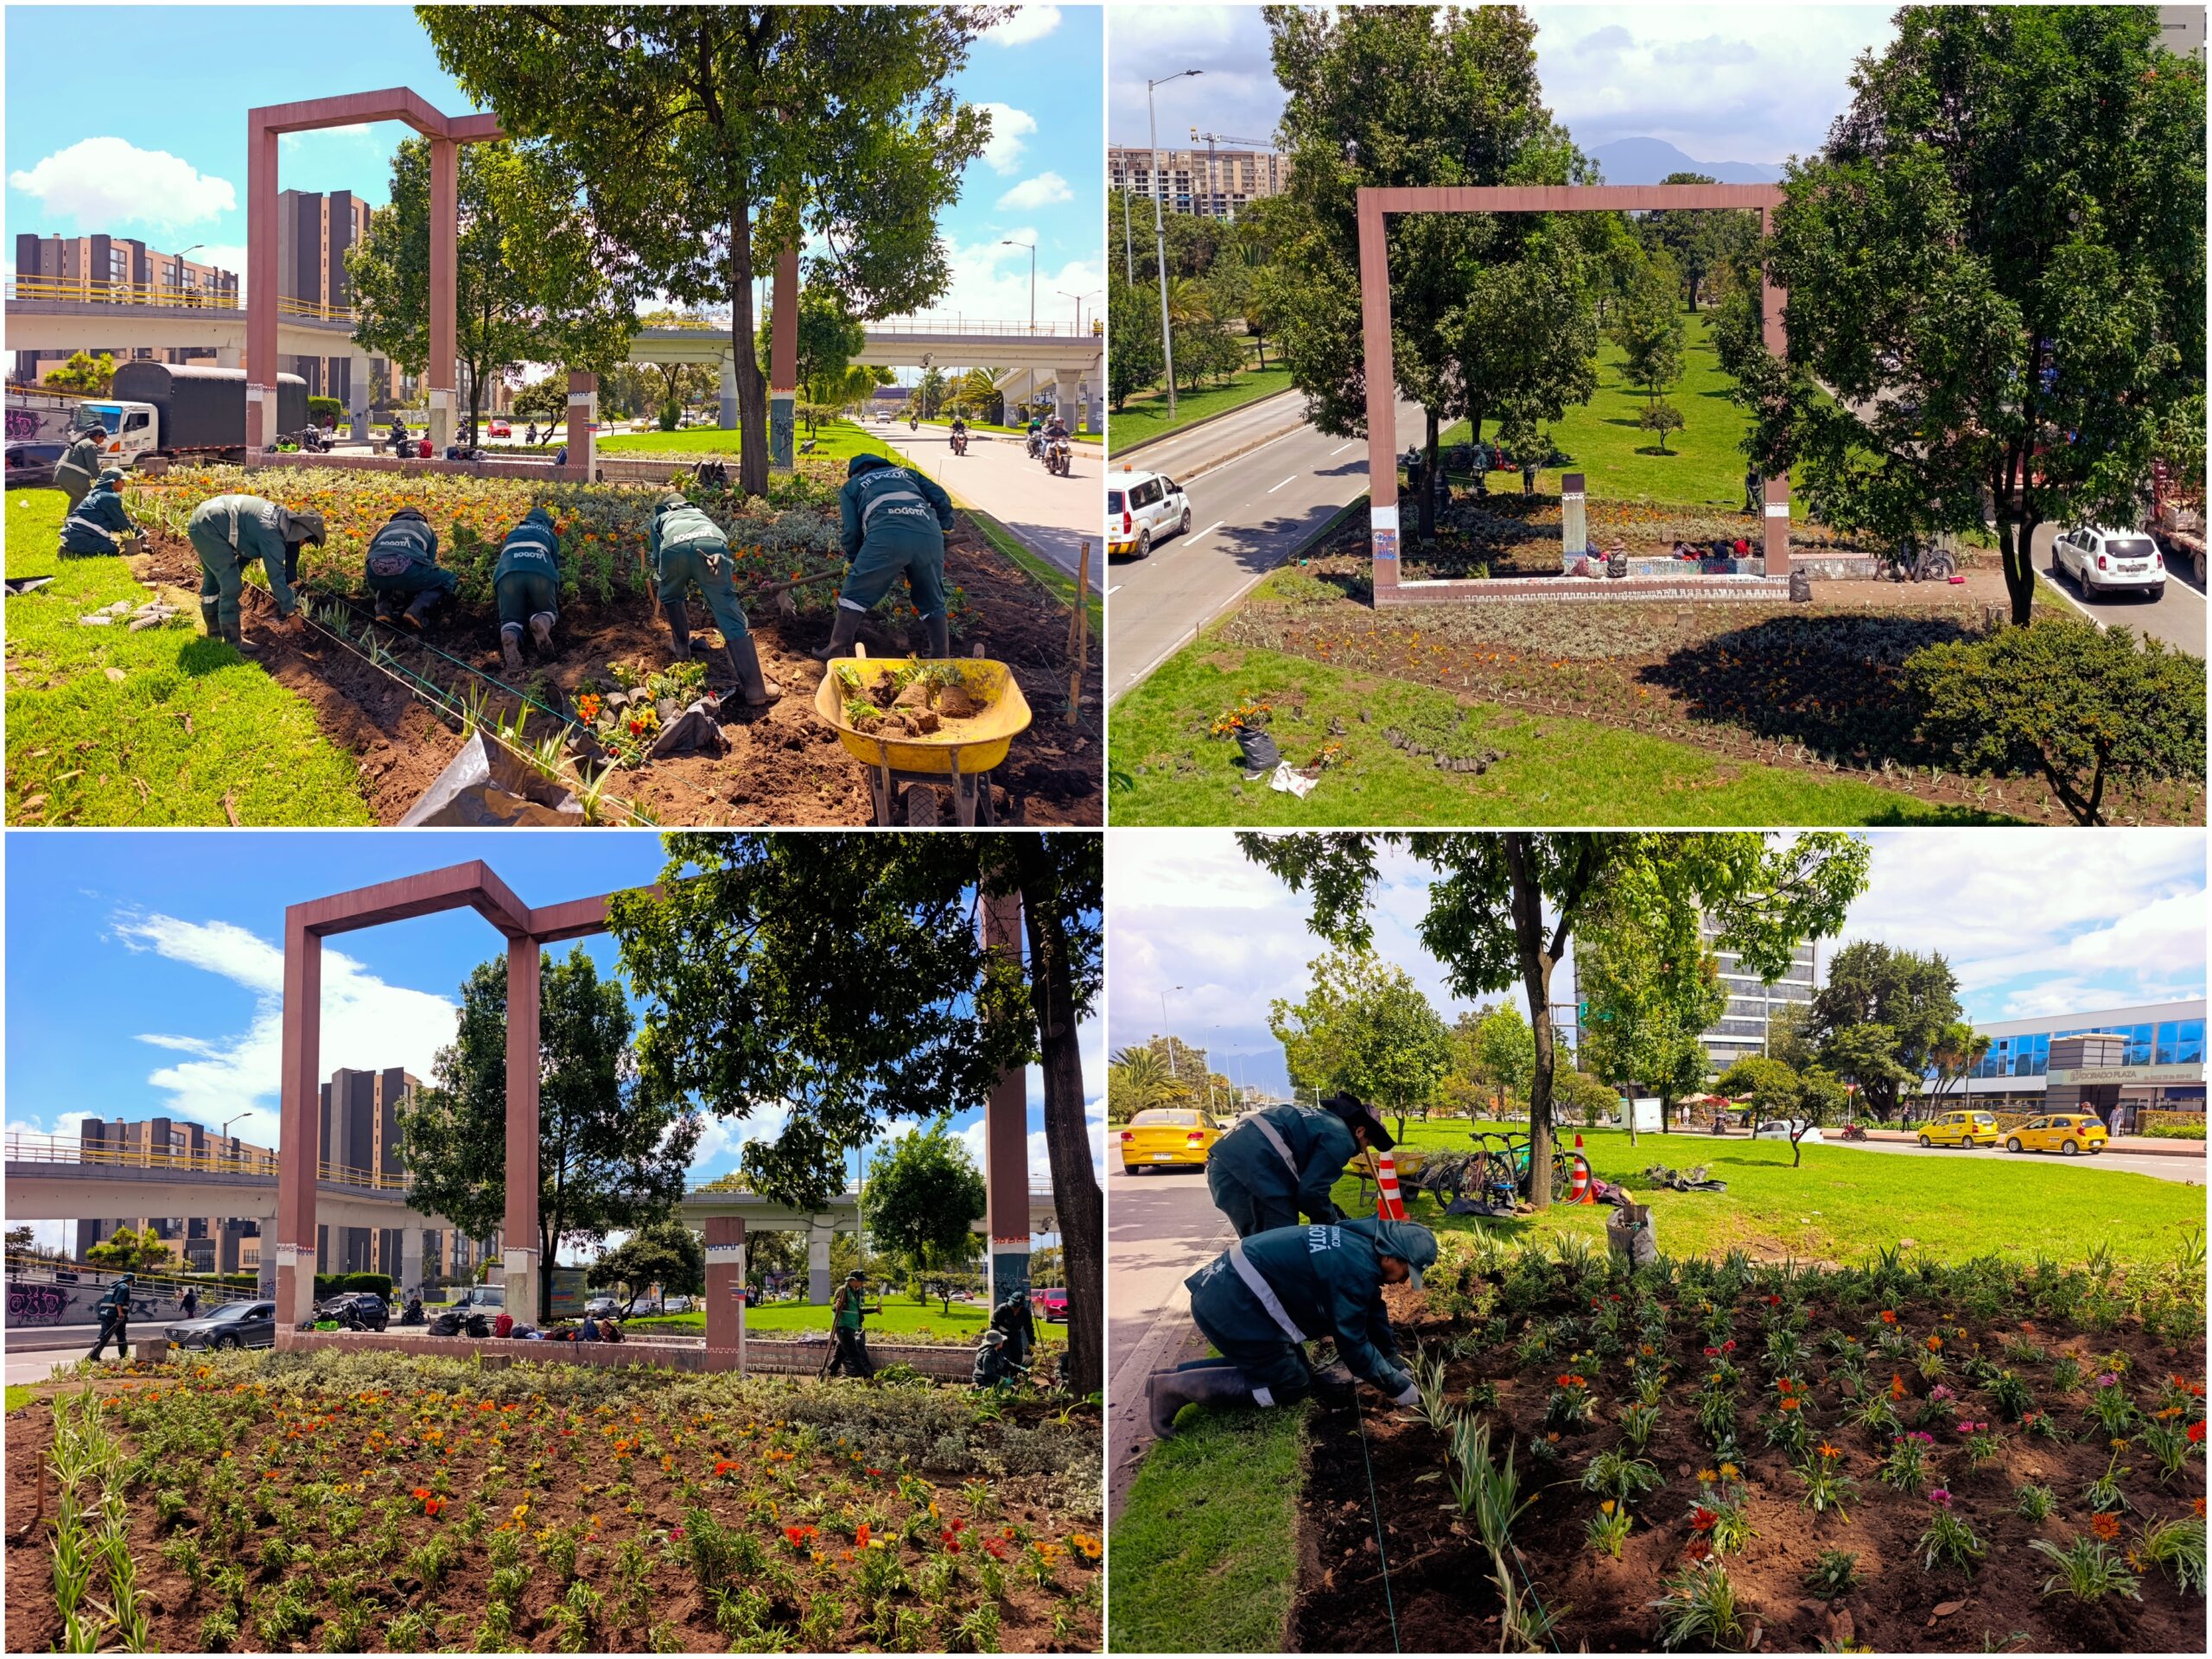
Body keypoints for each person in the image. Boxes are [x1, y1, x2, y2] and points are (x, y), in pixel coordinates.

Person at [1146, 1217, 1438, 1435]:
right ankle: (1174, 1388)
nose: (1404, 1281)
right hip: (1233, 1308)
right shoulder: (1354, 1270)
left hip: (1230, 1293)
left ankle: (1168, 1377)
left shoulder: (1358, 1245)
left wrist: (1392, 1359)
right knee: (1290, 1385)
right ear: (1389, 1255)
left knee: (1290, 1366)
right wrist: (1398, 1387)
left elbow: (1372, 1310)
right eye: (1406, 1271)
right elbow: (1353, 1345)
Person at [812, 454, 957, 662]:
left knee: (855, 592)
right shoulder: (907, 473)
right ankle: (939, 655)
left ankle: (836, 650)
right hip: (929, 535)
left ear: (856, 472)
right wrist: (944, 529)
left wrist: (853, 559)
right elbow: (941, 498)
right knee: (931, 596)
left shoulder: (852, 486)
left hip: (887, 536)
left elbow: (852, 531)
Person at [651, 492, 781, 709]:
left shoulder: (660, 519)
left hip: (673, 548)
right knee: (726, 609)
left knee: (672, 596)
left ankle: (682, 650)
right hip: (712, 546)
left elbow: (656, 558)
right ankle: (756, 691)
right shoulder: (698, 513)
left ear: (666, 509)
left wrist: (669, 578)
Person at [1207, 1092, 1392, 1239]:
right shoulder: (1341, 1138)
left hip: (1229, 1166)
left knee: (1267, 1246)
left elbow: (1307, 1188)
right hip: (1247, 1174)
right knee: (1277, 1247)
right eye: (1367, 1144)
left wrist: (1332, 1213)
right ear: (1360, 1131)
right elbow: (1310, 1194)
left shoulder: (1323, 1120)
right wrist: (1335, 1224)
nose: (1362, 1150)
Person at [187, 493, 323, 652]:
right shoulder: (273, 534)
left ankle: (215, 635)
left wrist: (236, 569)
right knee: (231, 586)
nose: (303, 545)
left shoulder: (280, 520)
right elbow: (276, 576)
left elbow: (246, 547)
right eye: (305, 541)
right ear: (301, 534)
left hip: (204, 520)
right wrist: (291, 614)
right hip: (209, 527)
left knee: (213, 582)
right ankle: (233, 642)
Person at [492, 505, 562, 675]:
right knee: (547, 610)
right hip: (540, 572)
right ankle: (540, 621)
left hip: (507, 574)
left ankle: (510, 634)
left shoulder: (514, 531)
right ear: (546, 523)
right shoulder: (548, 533)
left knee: (510, 618)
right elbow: (554, 565)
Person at [363, 506, 457, 628]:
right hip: (410, 571)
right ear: (421, 518)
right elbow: (428, 563)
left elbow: (370, 557)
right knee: (447, 579)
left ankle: (383, 609)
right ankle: (416, 610)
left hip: (374, 574)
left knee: (384, 572)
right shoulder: (426, 528)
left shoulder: (385, 529)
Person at [58, 467, 140, 557]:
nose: (124, 484)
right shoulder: (110, 497)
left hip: (73, 533)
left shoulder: (97, 493)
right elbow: (122, 522)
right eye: (122, 481)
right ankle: (69, 553)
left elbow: (113, 522)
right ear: (113, 481)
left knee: (110, 543)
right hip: (79, 536)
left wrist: (124, 531)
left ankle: (71, 548)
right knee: (112, 549)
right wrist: (139, 532)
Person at [826, 1269, 875, 1378]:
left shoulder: (856, 1292)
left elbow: (858, 1310)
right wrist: (837, 1305)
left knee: (840, 1353)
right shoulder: (843, 1290)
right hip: (843, 1326)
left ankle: (830, 1374)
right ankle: (866, 1378)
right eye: (861, 1281)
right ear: (853, 1280)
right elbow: (834, 1307)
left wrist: (875, 1309)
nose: (862, 1283)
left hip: (851, 1326)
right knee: (854, 1353)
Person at [54, 425, 109, 509]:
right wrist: (103, 481)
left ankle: (70, 520)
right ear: (98, 436)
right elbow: (93, 467)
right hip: (72, 476)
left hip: (61, 475)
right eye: (103, 438)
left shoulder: (83, 442)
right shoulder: (91, 445)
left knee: (78, 498)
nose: (102, 441)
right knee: (92, 499)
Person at [87, 1272, 134, 1362]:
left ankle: (94, 1356)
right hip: (115, 1315)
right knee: (121, 1335)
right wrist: (120, 1313)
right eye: (132, 1282)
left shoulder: (113, 1286)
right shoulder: (124, 1287)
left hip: (105, 1313)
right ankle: (124, 1357)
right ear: (130, 1281)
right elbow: (118, 1301)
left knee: (103, 1335)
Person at [990, 1286, 1037, 1371]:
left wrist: (1032, 1342)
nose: (1014, 1309)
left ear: (1021, 1306)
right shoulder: (1001, 1309)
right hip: (1002, 1337)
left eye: (1017, 1307)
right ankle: (1004, 1376)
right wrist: (995, 1341)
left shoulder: (1025, 1313)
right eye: (1013, 1307)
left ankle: (1015, 1376)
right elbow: (993, 1326)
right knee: (1006, 1357)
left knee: (1017, 1356)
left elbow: (1029, 1328)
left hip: (1016, 1335)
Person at [973, 1326, 1027, 1390]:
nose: (1003, 1342)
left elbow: (1006, 1362)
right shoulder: (988, 1355)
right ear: (998, 1343)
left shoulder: (998, 1351)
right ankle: (980, 1388)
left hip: (992, 1378)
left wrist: (1020, 1368)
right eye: (1002, 1341)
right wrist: (1003, 1380)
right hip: (983, 1379)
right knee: (1010, 1389)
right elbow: (989, 1373)